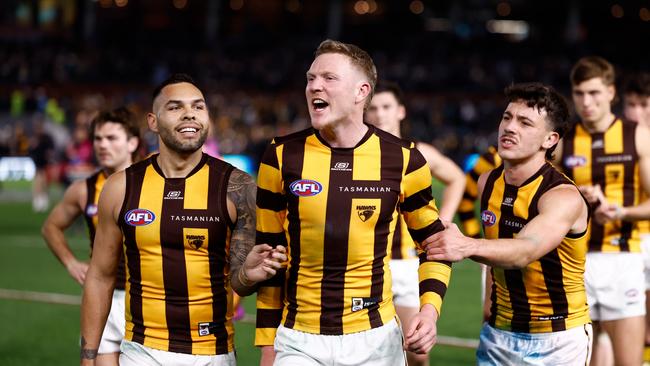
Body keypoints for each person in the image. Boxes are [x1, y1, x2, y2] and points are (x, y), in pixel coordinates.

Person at [236, 39, 451, 366]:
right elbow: (270, 252)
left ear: (361, 91)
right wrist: (268, 343)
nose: (314, 87)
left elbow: (434, 244)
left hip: (376, 339)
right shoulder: (280, 155)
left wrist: (429, 310)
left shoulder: (404, 158)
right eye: (310, 78)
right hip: (299, 338)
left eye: (328, 78)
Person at [79, 74, 259, 366]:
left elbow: (243, 281)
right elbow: (100, 276)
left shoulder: (238, 187)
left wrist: (252, 274)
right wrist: (89, 357)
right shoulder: (121, 187)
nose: (190, 113)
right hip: (142, 352)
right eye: (175, 107)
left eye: (198, 107)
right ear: (152, 121)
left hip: (213, 354)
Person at [425, 82, 592, 365]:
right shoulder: (487, 181)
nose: (510, 127)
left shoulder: (562, 196)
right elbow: (495, 260)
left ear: (550, 139)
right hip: (499, 333)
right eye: (507, 117)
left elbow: (525, 251)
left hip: (557, 340)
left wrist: (466, 245)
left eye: (525, 122)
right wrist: (489, 312)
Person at [555, 57, 650, 366]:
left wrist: (620, 212)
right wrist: (574, 197)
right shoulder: (562, 142)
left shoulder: (636, 135)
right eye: (579, 93)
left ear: (611, 93)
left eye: (594, 93)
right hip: (574, 262)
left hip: (621, 260)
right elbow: (542, 201)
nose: (586, 102)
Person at [365, 80, 465, 366]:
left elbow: (457, 178)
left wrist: (444, 218)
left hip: (409, 264)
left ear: (401, 111)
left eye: (386, 107)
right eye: (373, 108)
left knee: (417, 353)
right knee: (370, 351)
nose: (380, 114)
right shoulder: (358, 153)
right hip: (370, 263)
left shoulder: (418, 152)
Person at [42, 107, 140, 365]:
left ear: (132, 142)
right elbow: (50, 227)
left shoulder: (152, 184)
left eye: (111, 138)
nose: (102, 145)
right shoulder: (83, 190)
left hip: (144, 300)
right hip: (102, 299)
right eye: (98, 139)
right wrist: (71, 262)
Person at [622, 72, 650, 364]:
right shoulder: (616, 143)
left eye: (644, 103)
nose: (636, 111)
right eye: (631, 104)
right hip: (625, 243)